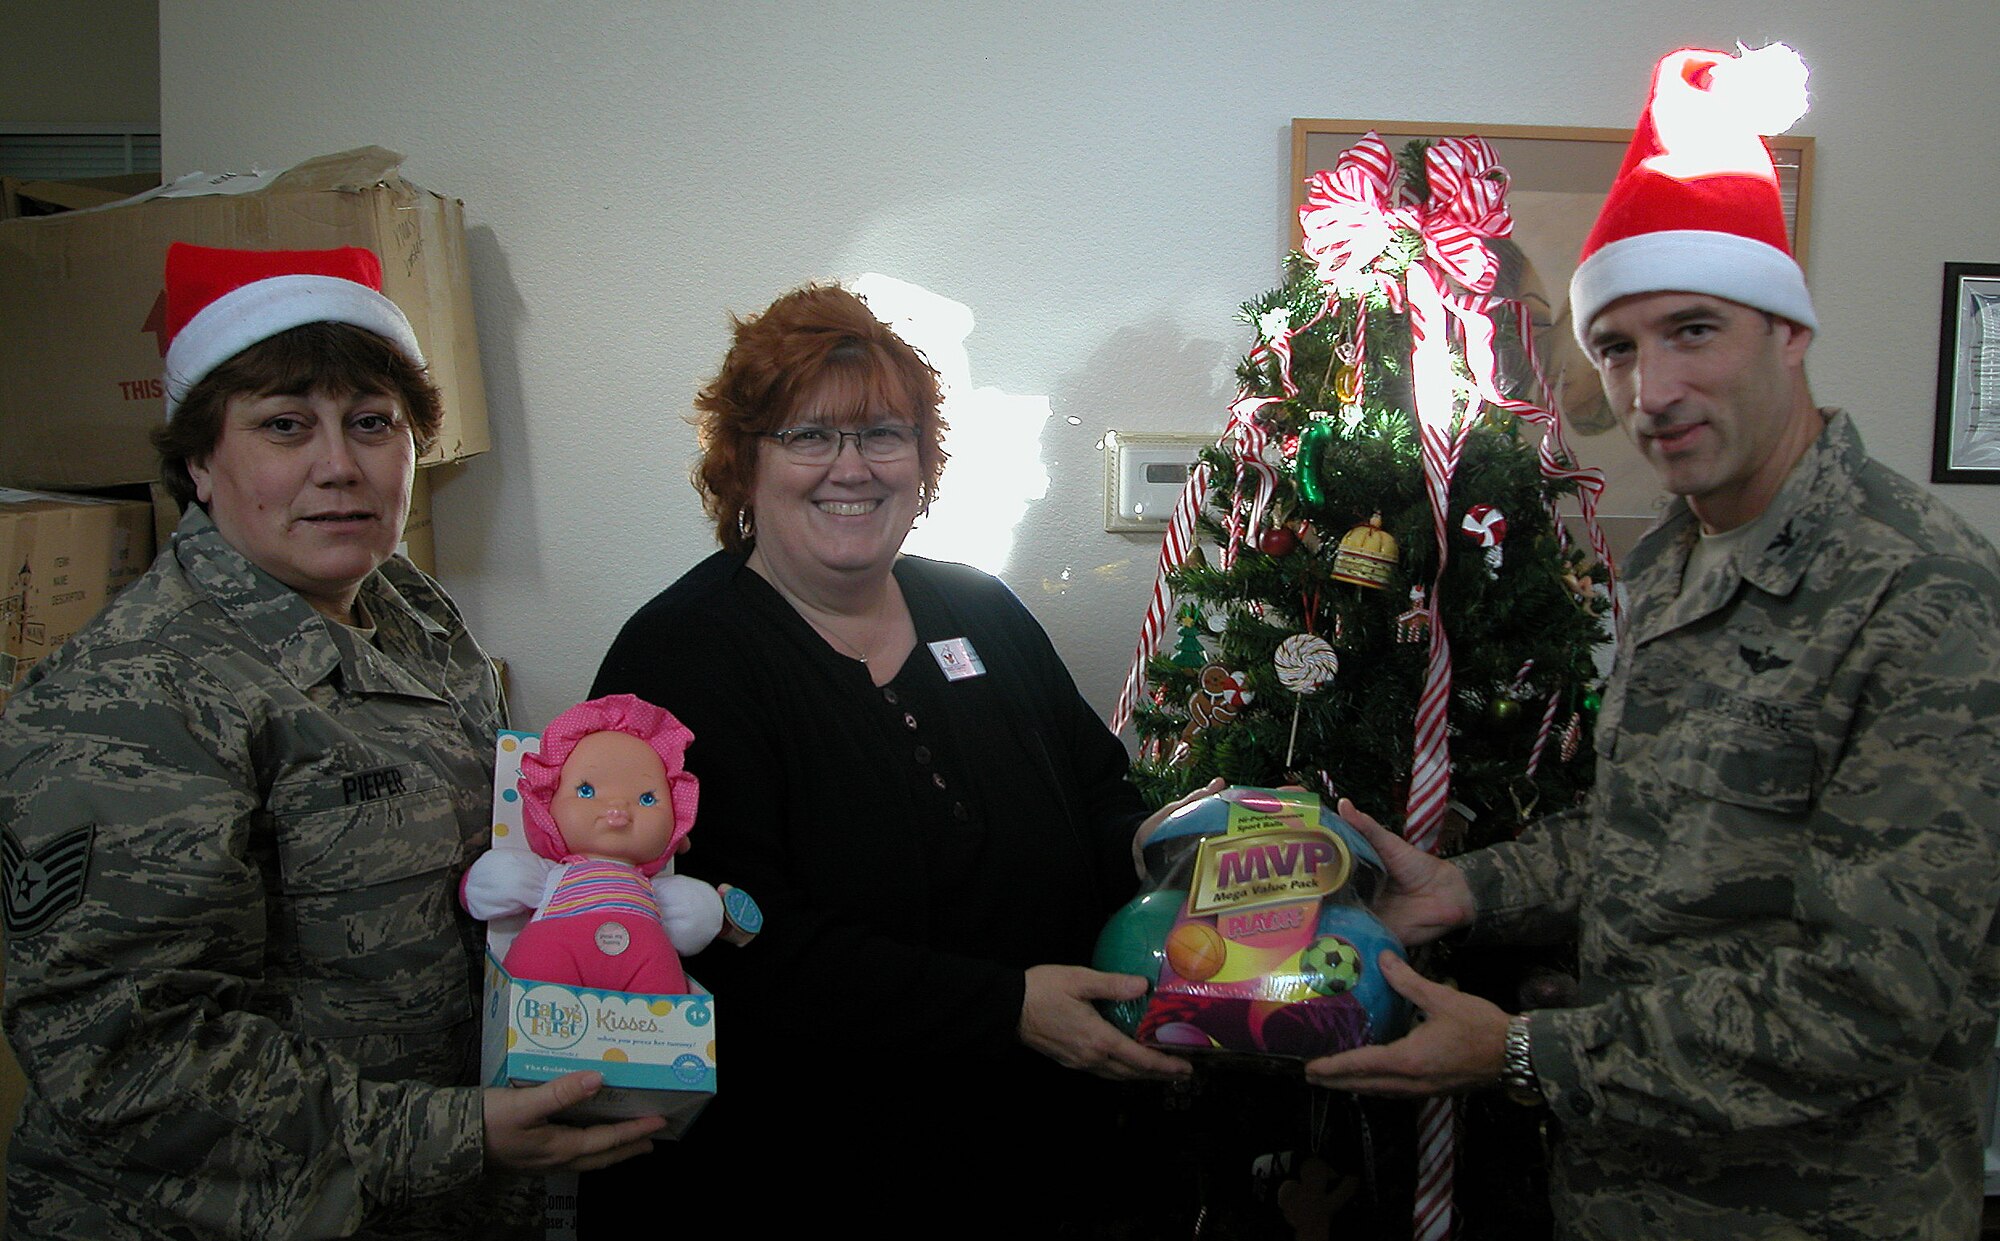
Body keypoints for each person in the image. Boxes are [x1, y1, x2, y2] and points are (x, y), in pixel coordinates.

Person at [1304, 44, 2000, 1240]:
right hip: (1622, 1192)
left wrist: (1521, 1053)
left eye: (1693, 331)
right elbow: (1649, 834)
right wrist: (1466, 885)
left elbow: (1871, 999)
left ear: (1787, 332)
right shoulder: (1673, 560)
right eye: (1618, 348)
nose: (1651, 389)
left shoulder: (1925, 596)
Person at [0, 243, 661, 1239]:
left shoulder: (408, 610)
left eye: (370, 423)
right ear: (199, 462)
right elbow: (126, 1057)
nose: (339, 465)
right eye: (283, 426)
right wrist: (450, 1131)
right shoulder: (131, 694)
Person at [584, 283, 1195, 1229]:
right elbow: (733, 934)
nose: (852, 467)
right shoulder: (681, 656)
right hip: (807, 1168)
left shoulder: (978, 607)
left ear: (922, 460)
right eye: (808, 436)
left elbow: (1093, 789)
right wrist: (1004, 1007)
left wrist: (1164, 844)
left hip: (1039, 1142)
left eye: (883, 434)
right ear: (744, 463)